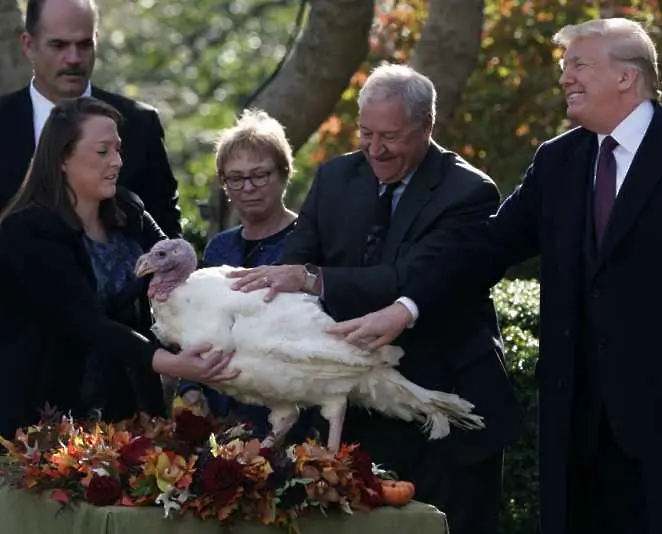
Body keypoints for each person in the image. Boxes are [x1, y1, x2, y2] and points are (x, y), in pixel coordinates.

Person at [328, 19, 662, 534]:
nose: (565, 78)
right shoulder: (558, 160)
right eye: (564, 68)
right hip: (577, 423)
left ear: (626, 77)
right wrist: (405, 308)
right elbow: (485, 247)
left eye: (578, 66)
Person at [226, 64, 523, 534]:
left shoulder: (468, 192)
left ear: (426, 128)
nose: (375, 148)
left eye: (391, 136)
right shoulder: (334, 178)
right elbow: (296, 267)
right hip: (358, 411)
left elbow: (409, 279)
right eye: (366, 132)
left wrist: (315, 280)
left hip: (444, 406)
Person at [0, 96, 237, 439]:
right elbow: (86, 321)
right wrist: (170, 363)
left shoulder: (129, 209)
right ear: (63, 158)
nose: (117, 161)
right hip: (46, 414)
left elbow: (178, 269)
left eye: (118, 149)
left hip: (130, 406)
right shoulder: (27, 231)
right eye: (102, 151)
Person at [176, 109, 309, 442]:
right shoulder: (220, 247)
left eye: (260, 175)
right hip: (222, 419)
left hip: (291, 418)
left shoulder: (308, 240)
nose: (247, 187)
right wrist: (190, 385)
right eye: (235, 178)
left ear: (284, 173)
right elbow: (198, 325)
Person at [0, 0, 181, 237]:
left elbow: (167, 239)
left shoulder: (139, 124)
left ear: (96, 40)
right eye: (59, 45)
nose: (73, 58)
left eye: (85, 45)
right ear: (29, 45)